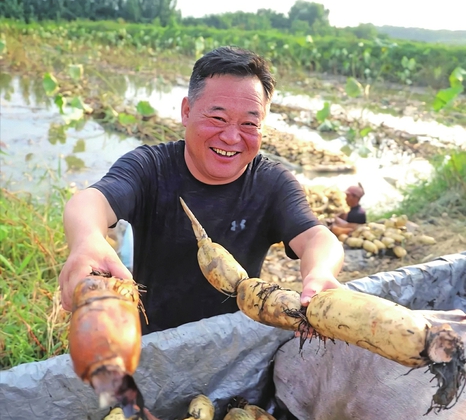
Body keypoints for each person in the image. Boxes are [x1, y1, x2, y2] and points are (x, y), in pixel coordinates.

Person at [59, 46, 344, 333]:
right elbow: (90, 201)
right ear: (187, 112)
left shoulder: (271, 183)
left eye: (249, 124)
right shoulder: (150, 168)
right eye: (218, 119)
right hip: (154, 341)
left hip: (233, 343)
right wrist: (86, 241)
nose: (232, 137)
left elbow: (317, 238)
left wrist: (319, 272)